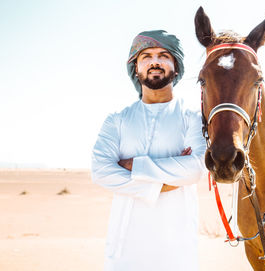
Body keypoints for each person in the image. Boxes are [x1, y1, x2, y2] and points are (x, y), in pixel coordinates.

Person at [91, 30, 206, 271]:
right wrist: (161, 184)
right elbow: (101, 172)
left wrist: (134, 166)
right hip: (124, 249)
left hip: (177, 250)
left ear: (176, 67)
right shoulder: (117, 120)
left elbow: (194, 170)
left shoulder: (193, 118)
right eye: (146, 56)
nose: (155, 61)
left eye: (164, 55)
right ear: (136, 68)